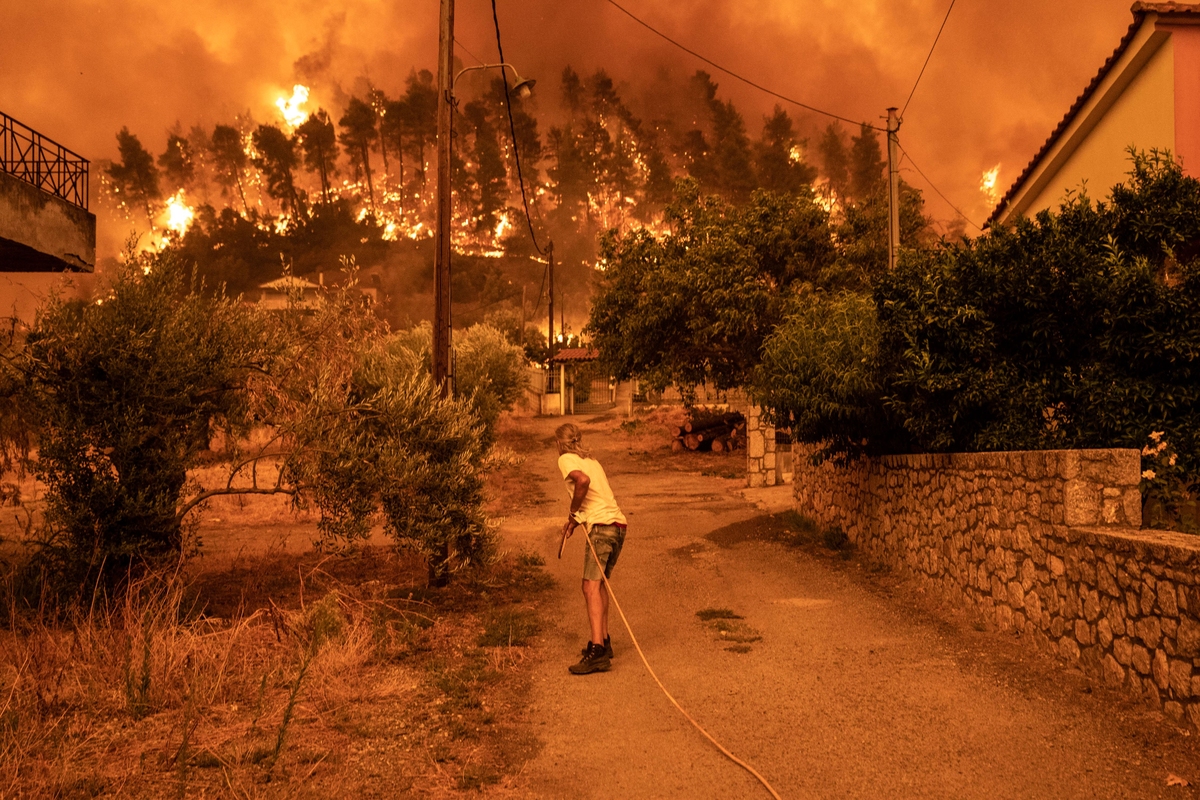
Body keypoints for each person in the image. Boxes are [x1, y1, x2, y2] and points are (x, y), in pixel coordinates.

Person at [555, 422, 627, 675]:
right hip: (618, 526)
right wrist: (574, 521)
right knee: (599, 585)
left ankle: (597, 651)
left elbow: (582, 482)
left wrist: (573, 511)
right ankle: (604, 642)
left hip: (601, 529)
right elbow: (595, 495)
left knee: (589, 586)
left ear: (559, 443)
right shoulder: (592, 461)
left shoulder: (566, 459)